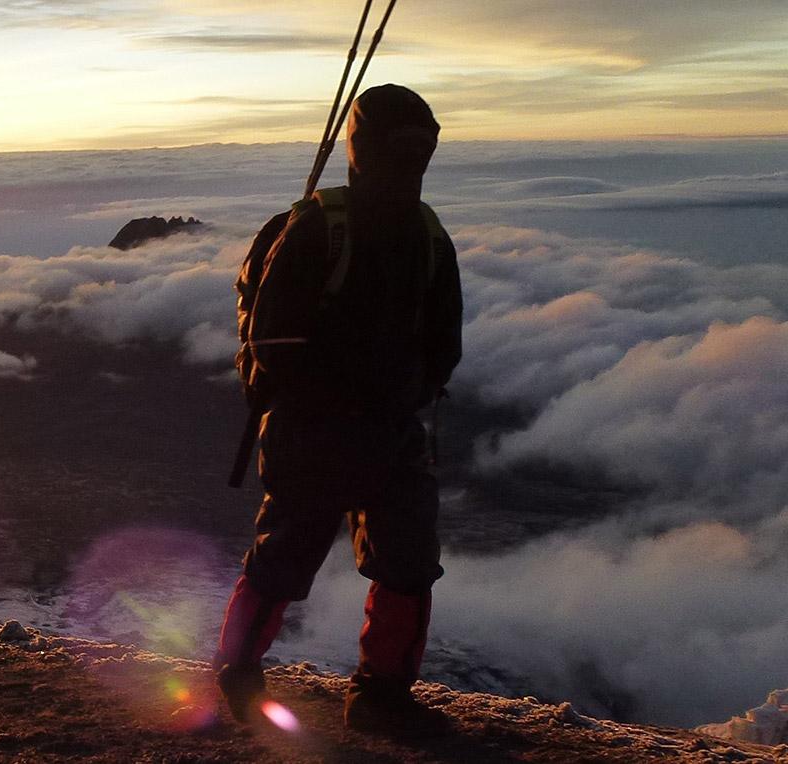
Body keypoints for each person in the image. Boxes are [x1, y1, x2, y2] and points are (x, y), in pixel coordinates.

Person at [214, 84, 463, 736]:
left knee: (376, 561)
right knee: (319, 561)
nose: (412, 162)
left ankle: (353, 693)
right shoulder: (370, 232)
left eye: (420, 150)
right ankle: (349, 691)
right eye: (404, 149)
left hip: (340, 430)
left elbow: (273, 347)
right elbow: (442, 347)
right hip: (339, 432)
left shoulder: (368, 230)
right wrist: (390, 393)